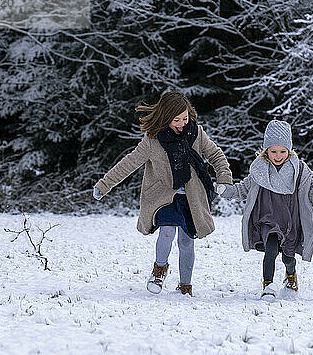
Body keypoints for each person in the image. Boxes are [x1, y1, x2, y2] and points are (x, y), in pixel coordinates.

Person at [93, 91, 232, 296]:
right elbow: (129, 163)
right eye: (176, 120)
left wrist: (224, 178)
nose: (182, 123)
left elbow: (216, 155)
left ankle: (185, 285)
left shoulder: (196, 133)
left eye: (185, 118)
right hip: (164, 197)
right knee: (166, 231)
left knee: (186, 240)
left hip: (191, 198)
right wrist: (104, 185)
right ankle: (159, 270)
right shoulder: (152, 140)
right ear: (165, 118)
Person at [217, 120, 313, 300]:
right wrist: (228, 190)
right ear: (266, 150)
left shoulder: (299, 170)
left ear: (289, 151)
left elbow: (312, 188)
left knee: (288, 257)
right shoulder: (260, 169)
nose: (278, 156)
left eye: (282, 151)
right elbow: (243, 189)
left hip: (291, 220)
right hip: (267, 219)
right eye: (273, 151)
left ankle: (291, 274)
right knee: (270, 249)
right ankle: (268, 285)